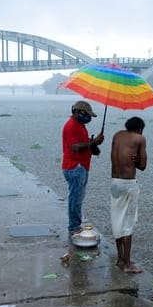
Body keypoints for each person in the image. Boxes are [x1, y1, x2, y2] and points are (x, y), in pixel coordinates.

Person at [110, 117, 147, 274]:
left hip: (115, 183)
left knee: (117, 221)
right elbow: (143, 166)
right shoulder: (139, 138)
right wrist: (137, 159)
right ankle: (127, 264)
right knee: (128, 224)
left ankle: (120, 260)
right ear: (139, 129)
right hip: (128, 184)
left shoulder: (117, 135)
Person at [62, 100, 104, 235]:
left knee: (78, 197)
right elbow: (75, 147)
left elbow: (83, 144)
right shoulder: (72, 126)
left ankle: (75, 224)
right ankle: (74, 226)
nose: (88, 117)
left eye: (89, 115)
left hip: (81, 166)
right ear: (76, 112)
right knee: (75, 198)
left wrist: (93, 144)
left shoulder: (80, 125)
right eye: (85, 114)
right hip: (75, 166)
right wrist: (92, 143)